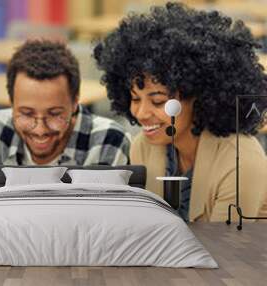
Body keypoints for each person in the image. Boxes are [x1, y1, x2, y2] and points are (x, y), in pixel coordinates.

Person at [94, 2, 267, 222]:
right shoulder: (144, 147)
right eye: (135, 99)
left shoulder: (240, 161)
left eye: (158, 102)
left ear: (201, 97)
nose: (141, 113)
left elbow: (222, 251)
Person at [0, 39, 131, 190]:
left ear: (75, 102)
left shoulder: (109, 141)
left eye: (54, 114)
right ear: (11, 103)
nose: (40, 130)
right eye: (26, 114)